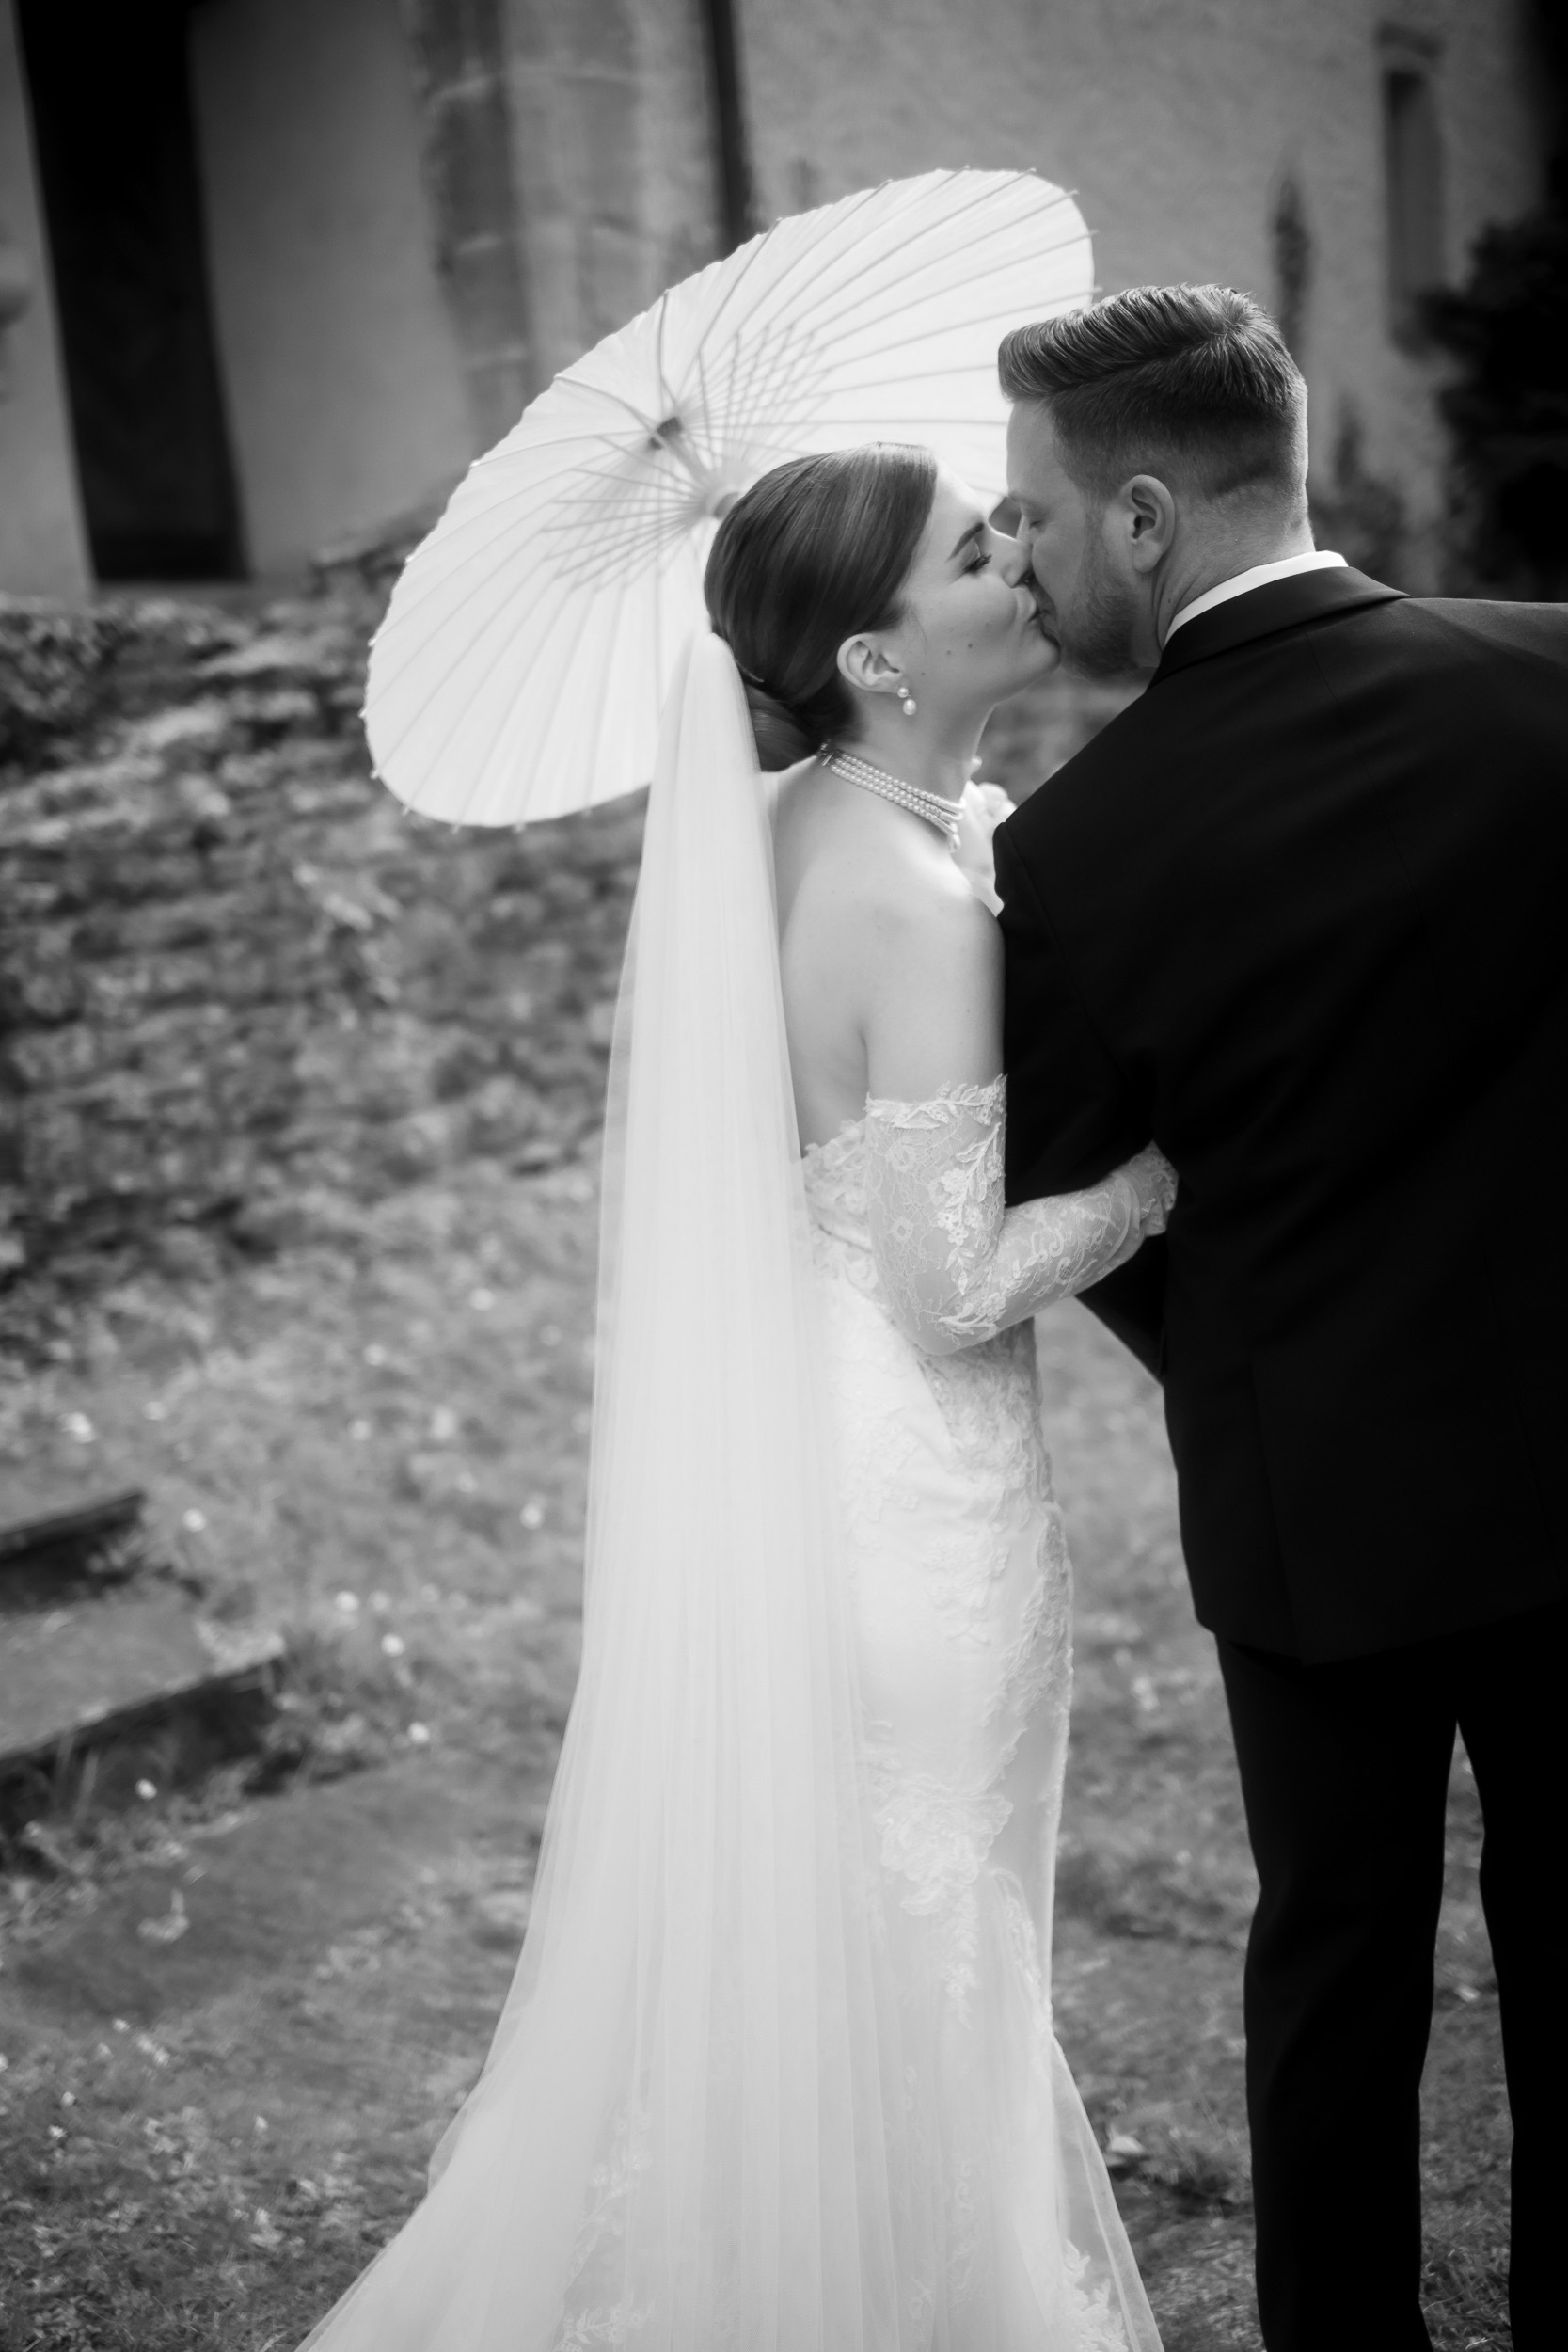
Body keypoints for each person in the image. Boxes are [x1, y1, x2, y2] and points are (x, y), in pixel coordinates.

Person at [295, 441, 1173, 2352]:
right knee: (930, 1935)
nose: (1019, 556)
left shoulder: (788, 830)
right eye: (973, 552)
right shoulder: (912, 899)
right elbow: (951, 1286)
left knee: (847, 1943)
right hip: (912, 1499)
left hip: (808, 1468)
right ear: (875, 653)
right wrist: (1150, 1181)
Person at [993, 282, 1568, 2352]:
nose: (1023, 562)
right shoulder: (1552, 677)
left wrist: (1252, 1336)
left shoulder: (1071, 855)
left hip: (1314, 1505)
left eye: (1034, 515)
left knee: (1338, 1966)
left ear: (1144, 518)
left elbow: (1062, 1198)